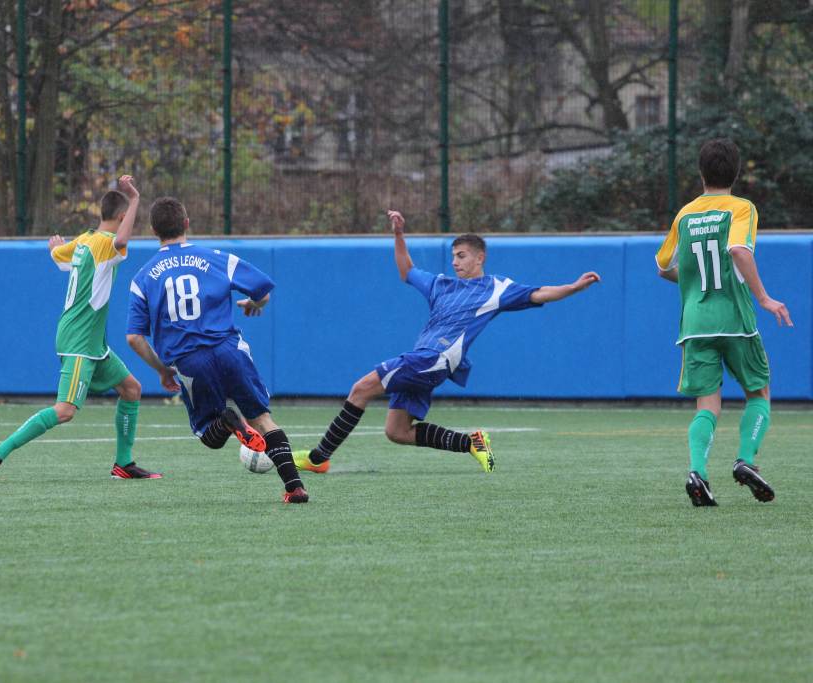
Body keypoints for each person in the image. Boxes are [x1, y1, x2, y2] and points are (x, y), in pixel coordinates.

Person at [294, 210, 600, 474]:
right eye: (453, 256)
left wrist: (574, 287)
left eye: (462, 255)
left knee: (361, 389)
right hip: (425, 359)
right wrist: (399, 234)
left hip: (434, 358)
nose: (455, 261)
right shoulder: (441, 285)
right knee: (397, 431)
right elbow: (407, 270)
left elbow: (539, 293)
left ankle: (319, 459)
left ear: (480, 258)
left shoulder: (495, 289)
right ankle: (472, 443)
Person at [125, 197, 309, 503]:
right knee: (263, 419)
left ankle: (226, 422)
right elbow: (263, 290)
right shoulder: (216, 258)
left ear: (153, 230)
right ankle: (295, 487)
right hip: (229, 349)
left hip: (188, 361)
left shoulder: (142, 278)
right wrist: (253, 304)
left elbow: (134, 338)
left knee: (208, 434)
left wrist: (162, 369)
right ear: (186, 223)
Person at [0, 175, 160, 482]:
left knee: (131, 389)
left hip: (92, 343)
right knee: (64, 411)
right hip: (79, 341)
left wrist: (56, 247)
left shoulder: (84, 241)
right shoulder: (102, 243)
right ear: (119, 216)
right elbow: (121, 242)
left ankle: (123, 464)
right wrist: (136, 200)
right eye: (126, 216)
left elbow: (59, 256)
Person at [656, 138, 792, 507]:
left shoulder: (685, 214)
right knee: (759, 393)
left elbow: (663, 266)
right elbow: (737, 250)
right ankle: (746, 460)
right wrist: (763, 297)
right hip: (734, 318)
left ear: (700, 173)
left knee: (707, 404)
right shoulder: (741, 208)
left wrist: (694, 279)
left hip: (696, 322)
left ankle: (697, 470)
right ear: (735, 172)